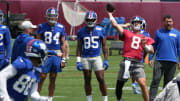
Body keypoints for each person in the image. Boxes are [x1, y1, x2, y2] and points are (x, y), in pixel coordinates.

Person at [107, 8, 155, 101]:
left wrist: (145, 46)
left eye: (138, 22)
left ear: (141, 24)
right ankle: (119, 99)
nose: (137, 24)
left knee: (142, 83)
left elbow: (151, 51)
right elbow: (115, 25)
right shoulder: (127, 32)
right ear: (132, 24)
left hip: (137, 64)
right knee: (119, 84)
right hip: (126, 62)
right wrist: (110, 14)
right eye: (135, 22)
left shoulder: (145, 36)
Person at [76, 11, 109, 101]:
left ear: (95, 20)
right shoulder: (81, 31)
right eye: (88, 20)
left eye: (92, 20)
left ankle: (105, 99)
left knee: (101, 79)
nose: (90, 22)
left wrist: (106, 59)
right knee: (87, 80)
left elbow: (105, 46)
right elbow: (79, 47)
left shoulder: (100, 30)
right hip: (85, 58)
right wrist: (78, 61)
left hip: (97, 57)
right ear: (85, 20)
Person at [37, 7, 66, 101]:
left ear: (57, 17)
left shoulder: (61, 27)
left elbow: (63, 44)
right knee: (42, 76)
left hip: (57, 54)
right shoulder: (42, 26)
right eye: (51, 16)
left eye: (54, 16)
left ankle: (50, 98)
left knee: (53, 77)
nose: (52, 18)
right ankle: (36, 96)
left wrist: (64, 59)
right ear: (47, 16)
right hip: (45, 53)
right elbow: (38, 42)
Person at [149, 15, 180, 101]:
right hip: (159, 61)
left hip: (172, 61)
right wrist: (151, 57)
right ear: (164, 22)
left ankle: (165, 99)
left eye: (170, 21)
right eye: (167, 21)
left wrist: (179, 60)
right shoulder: (158, 32)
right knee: (155, 80)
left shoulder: (177, 33)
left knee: (168, 83)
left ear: (172, 22)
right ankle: (151, 99)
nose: (168, 23)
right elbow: (154, 46)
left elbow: (179, 48)